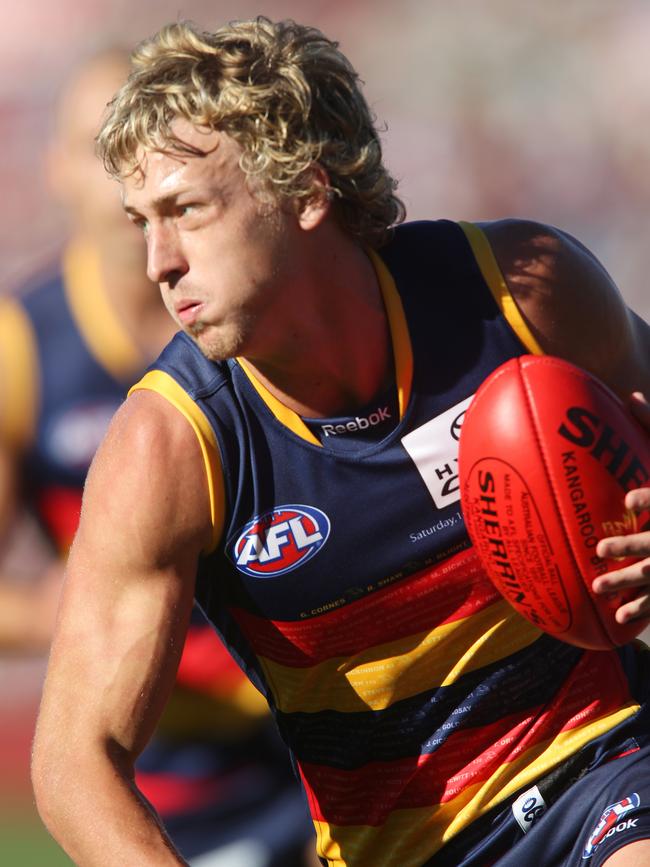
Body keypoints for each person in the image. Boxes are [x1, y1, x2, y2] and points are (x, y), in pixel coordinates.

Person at [31, 16, 650, 867]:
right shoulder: (170, 448)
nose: (158, 262)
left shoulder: (519, 295)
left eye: (187, 211)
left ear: (307, 192)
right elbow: (73, 764)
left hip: (603, 770)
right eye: (143, 220)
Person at [1, 46, 314, 866]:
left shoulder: (257, 310)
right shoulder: (22, 349)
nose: (118, 177)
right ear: (54, 172)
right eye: (93, 148)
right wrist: (71, 608)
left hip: (338, 721)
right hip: (181, 778)